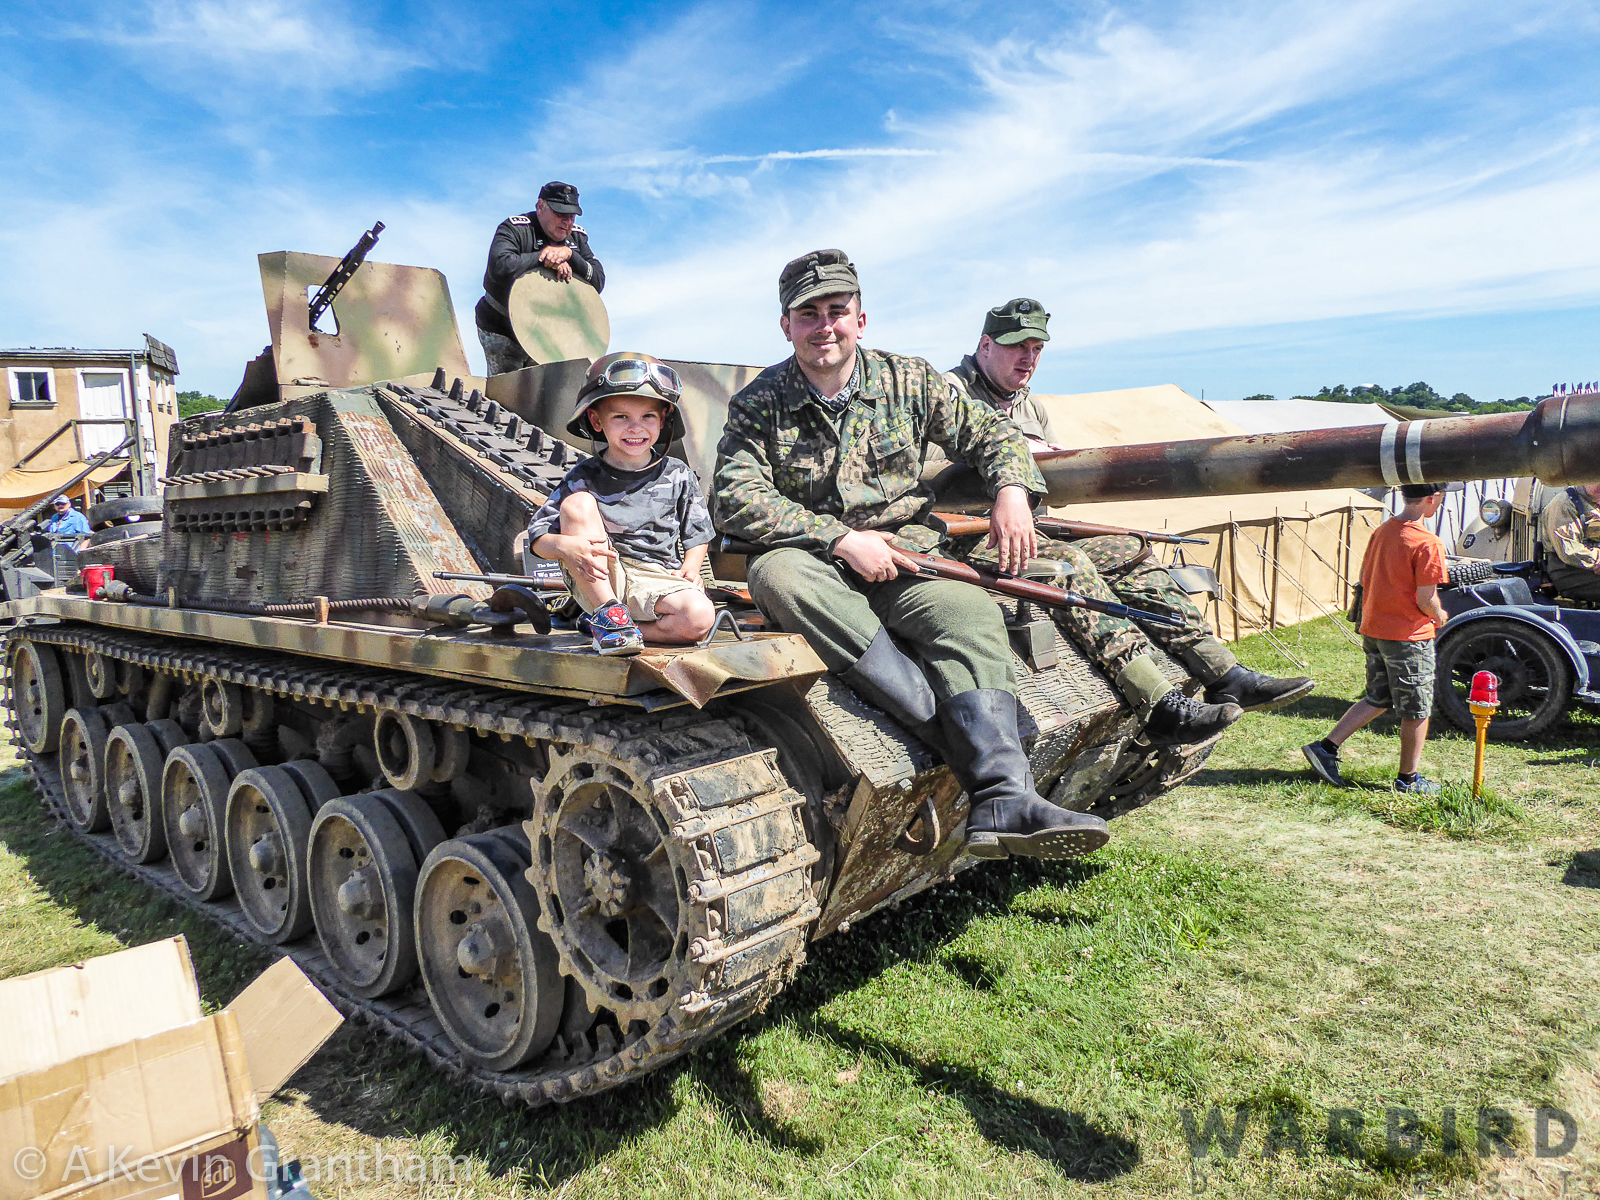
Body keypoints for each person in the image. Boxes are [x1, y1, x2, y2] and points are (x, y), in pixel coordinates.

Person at [714, 249, 1109, 861]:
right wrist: (839, 538)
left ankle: (1004, 798)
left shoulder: (910, 381)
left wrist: (1011, 489)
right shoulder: (758, 402)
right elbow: (736, 495)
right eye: (808, 314)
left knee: (969, 613)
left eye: (837, 311)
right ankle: (966, 751)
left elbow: (992, 431)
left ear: (860, 320)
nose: (824, 326)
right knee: (776, 572)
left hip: (906, 557)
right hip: (814, 563)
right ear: (786, 326)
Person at [944, 298, 1315, 725]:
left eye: (1037, 348)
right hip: (967, 533)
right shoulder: (948, 395)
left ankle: (1223, 673)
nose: (1029, 358)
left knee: (1127, 549)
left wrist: (1053, 466)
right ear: (985, 345)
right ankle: (1156, 701)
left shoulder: (1031, 406)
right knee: (1067, 564)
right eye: (1017, 346)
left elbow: (1052, 493)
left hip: (1033, 525)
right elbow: (928, 477)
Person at [529, 353, 716, 656]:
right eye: (621, 417)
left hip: (658, 578)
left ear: (663, 419)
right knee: (577, 505)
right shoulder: (584, 477)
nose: (635, 428)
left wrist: (691, 568)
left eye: (648, 417)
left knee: (700, 617)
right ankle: (607, 616)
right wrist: (567, 546)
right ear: (596, 420)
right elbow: (539, 538)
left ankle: (611, 628)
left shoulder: (677, 474)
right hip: (599, 573)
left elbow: (698, 533)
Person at [1302, 483, 1452, 794]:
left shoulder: (1383, 531)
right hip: (1408, 637)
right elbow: (1426, 599)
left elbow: (1368, 577)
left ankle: (1325, 748)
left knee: (1378, 697)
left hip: (1375, 630)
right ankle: (1408, 780)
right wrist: (1440, 615)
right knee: (1417, 709)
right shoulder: (1428, 542)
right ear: (1432, 498)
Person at [475, 181, 606, 376]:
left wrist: (570, 255)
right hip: (502, 328)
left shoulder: (577, 238)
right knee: (507, 389)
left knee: (546, 390)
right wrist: (544, 258)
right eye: (560, 214)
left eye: (571, 216)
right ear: (540, 206)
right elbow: (500, 267)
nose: (567, 222)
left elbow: (598, 280)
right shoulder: (515, 228)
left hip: (545, 334)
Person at [1538, 482, 1600, 602]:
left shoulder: (1594, 501)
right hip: (1569, 572)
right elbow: (1569, 551)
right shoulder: (1563, 504)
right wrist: (1597, 558)